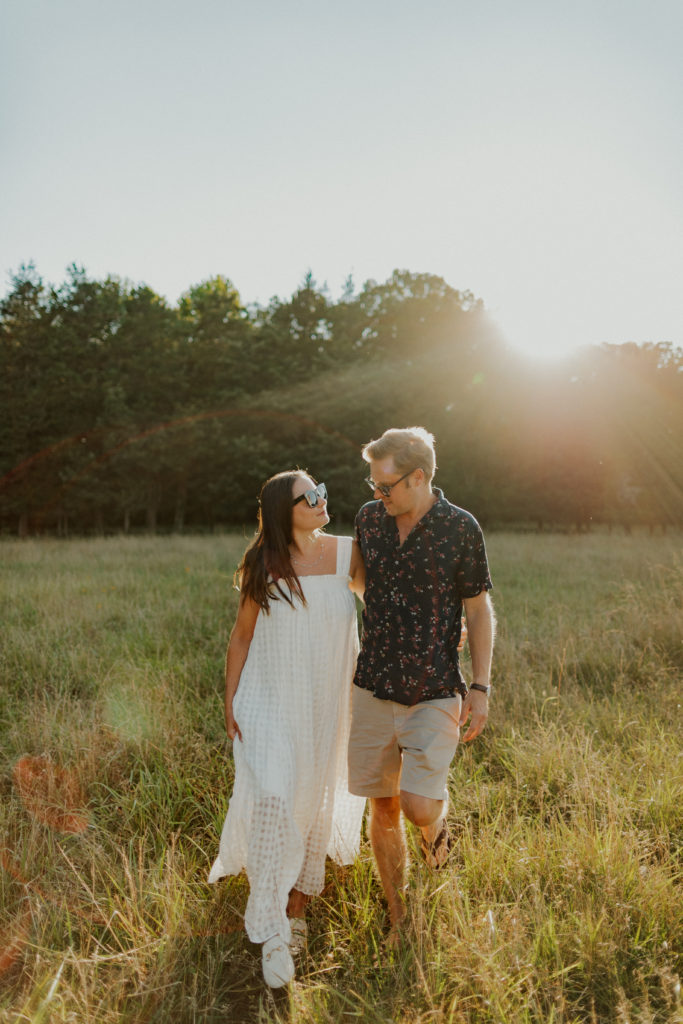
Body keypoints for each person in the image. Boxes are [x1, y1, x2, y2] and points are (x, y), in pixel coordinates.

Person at [208, 470, 366, 988]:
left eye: (321, 491)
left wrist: (440, 627)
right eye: (309, 497)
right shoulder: (264, 563)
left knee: (313, 799)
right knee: (275, 797)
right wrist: (230, 699)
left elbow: (381, 607)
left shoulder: (347, 552)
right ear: (284, 511)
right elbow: (241, 635)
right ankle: (273, 928)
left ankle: (295, 909)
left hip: (327, 704)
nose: (322, 501)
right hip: (270, 699)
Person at [348, 427, 495, 942]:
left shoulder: (460, 528)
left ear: (419, 477)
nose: (377, 496)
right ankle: (398, 917)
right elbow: (360, 580)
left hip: (435, 687)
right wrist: (394, 614)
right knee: (383, 806)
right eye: (373, 486)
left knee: (417, 805)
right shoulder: (370, 520)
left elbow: (477, 609)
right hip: (371, 684)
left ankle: (437, 833)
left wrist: (480, 686)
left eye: (385, 486)